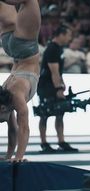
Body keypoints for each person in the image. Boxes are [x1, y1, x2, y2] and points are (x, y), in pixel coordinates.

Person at [0, 0, 41, 162]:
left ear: (3, 108)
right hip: (10, 46)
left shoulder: (14, 97)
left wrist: (18, 156)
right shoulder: (5, 92)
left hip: (25, 47)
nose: (4, 121)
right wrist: (12, 156)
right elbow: (16, 130)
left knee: (29, 1)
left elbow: (22, 128)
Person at [37, 24, 78, 153]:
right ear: (61, 35)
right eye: (68, 35)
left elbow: (58, 72)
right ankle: (44, 143)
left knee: (60, 113)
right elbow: (53, 71)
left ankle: (61, 141)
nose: (70, 38)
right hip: (46, 86)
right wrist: (58, 88)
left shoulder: (59, 49)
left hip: (53, 84)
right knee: (44, 114)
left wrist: (62, 83)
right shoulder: (52, 49)